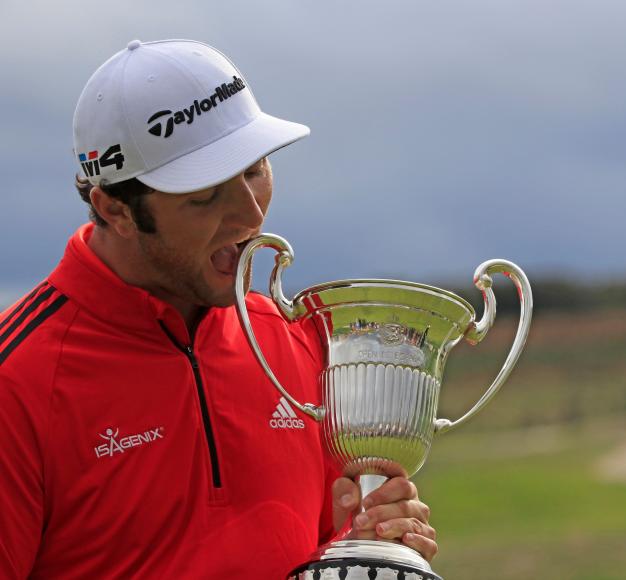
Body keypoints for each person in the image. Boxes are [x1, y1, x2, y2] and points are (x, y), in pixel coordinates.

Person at [0, 39, 437, 579]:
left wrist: (365, 546)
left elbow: (320, 542)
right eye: (204, 195)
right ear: (115, 209)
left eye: (255, 170)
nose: (249, 215)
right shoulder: (16, 381)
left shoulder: (296, 341)